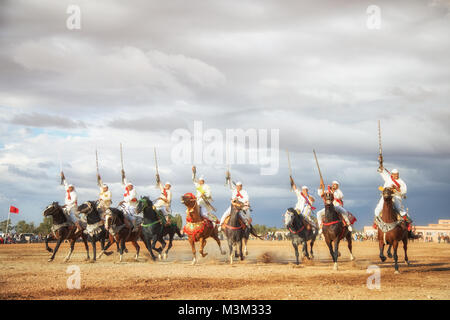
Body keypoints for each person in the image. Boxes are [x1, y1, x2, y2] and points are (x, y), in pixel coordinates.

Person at [374, 167, 417, 238]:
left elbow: (404, 191)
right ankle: (376, 223)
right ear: (392, 174)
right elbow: (383, 173)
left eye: (397, 174)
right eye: (395, 174)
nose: (396, 176)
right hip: (386, 195)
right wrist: (381, 166)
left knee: (400, 210)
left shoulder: (401, 182)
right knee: (377, 209)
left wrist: (396, 188)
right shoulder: (388, 178)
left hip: (395, 196)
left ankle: (408, 223)